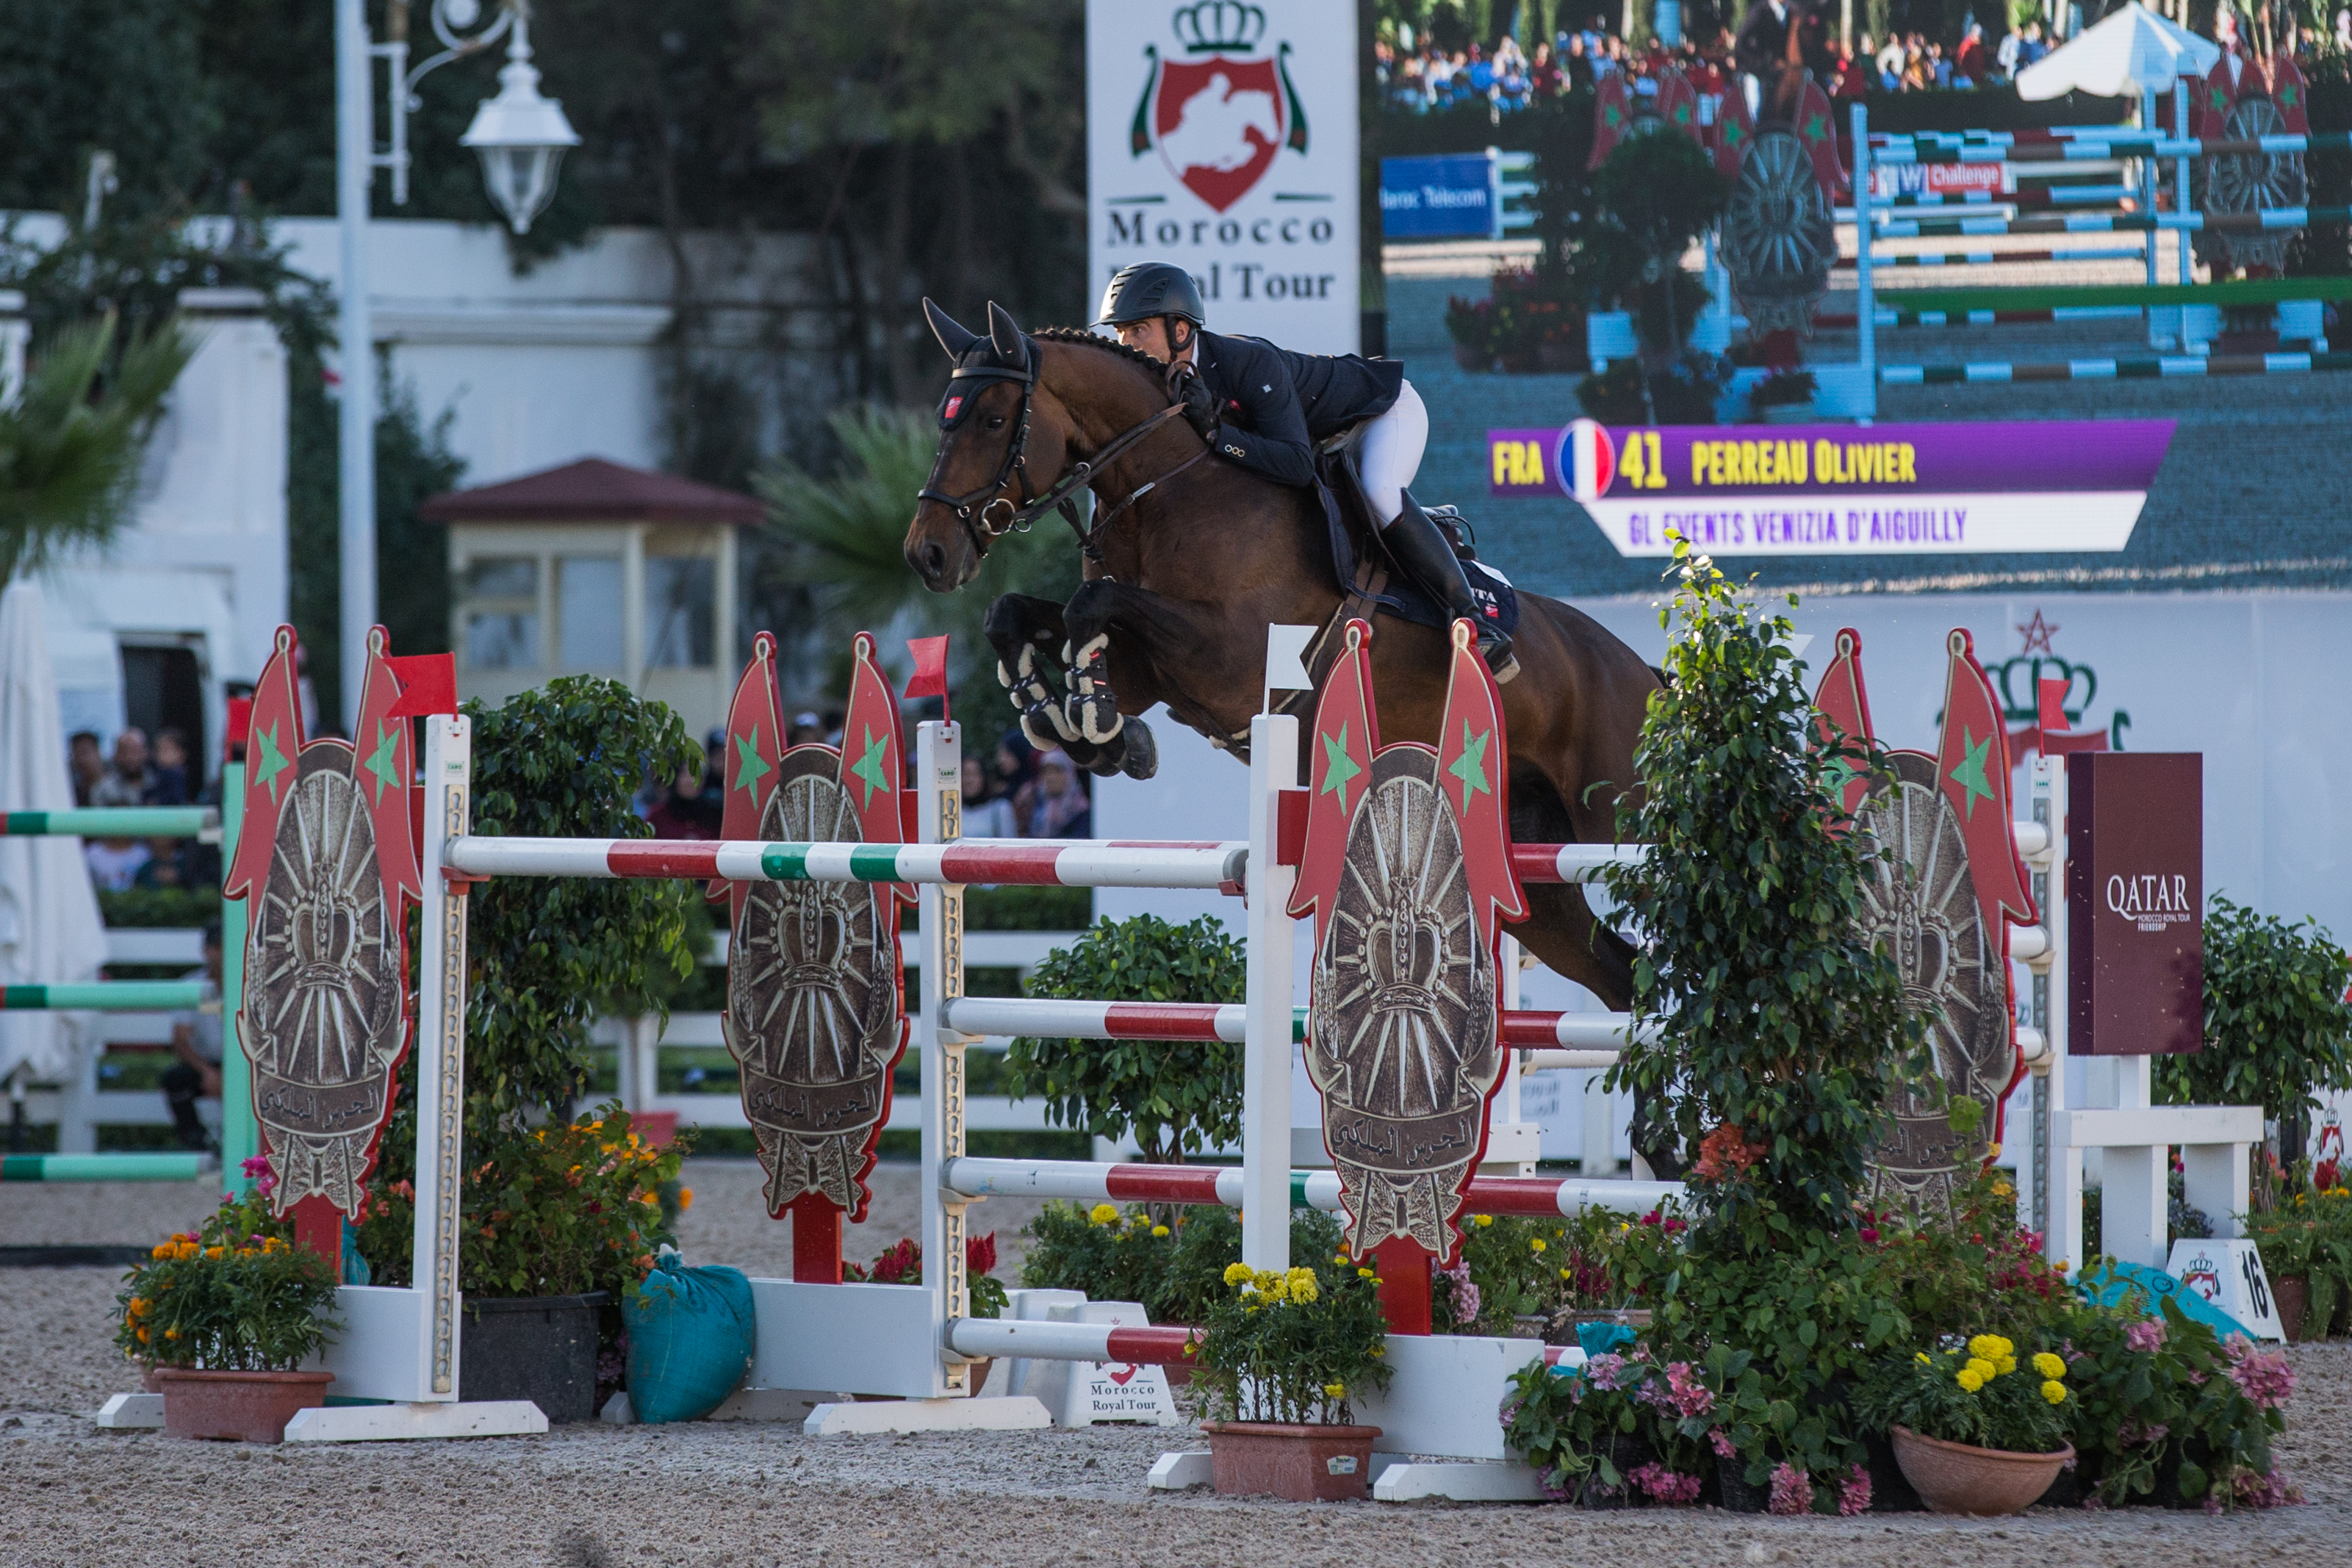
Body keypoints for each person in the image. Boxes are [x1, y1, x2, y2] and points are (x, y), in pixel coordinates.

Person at [1093, 260, 1516, 680]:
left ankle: (1474, 619)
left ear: (1180, 330)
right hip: (1321, 442)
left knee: (1380, 491)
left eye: (1138, 330)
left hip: (1380, 413)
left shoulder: (1247, 362)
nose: (1126, 343)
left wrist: (1217, 436)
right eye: (1120, 333)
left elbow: (1294, 465)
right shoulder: (1165, 384)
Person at [162, 924, 225, 1151]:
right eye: (219, 947)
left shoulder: (253, 986)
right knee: (176, 1080)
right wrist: (207, 1071)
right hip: (208, 1063)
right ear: (207, 950)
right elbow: (180, 1040)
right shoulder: (191, 986)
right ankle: (195, 1142)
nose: (224, 954)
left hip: (245, 1065)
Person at [1022, 751, 1093, 839]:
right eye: (1046, 772)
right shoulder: (1037, 808)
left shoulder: (1082, 811)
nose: (1050, 778)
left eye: (1057, 771)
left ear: (1070, 774)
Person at [90, 728, 153, 808]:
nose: (130, 758)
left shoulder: (160, 783)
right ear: (116, 755)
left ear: (145, 752)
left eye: (135, 751)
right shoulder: (103, 790)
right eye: (124, 752)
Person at [961, 755, 1021, 839]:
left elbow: (1010, 846)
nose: (969, 780)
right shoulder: (951, 811)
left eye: (975, 774)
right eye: (965, 774)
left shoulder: (1000, 809)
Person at [148, 727, 192, 806]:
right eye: (158, 750)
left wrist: (157, 802)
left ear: (181, 754)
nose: (160, 754)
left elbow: (175, 798)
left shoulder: (175, 775)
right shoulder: (158, 773)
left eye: (166, 750)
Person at [68, 730, 104, 808]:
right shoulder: (71, 789)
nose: (81, 759)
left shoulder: (116, 788)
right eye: (76, 754)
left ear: (97, 752)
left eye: (84, 752)